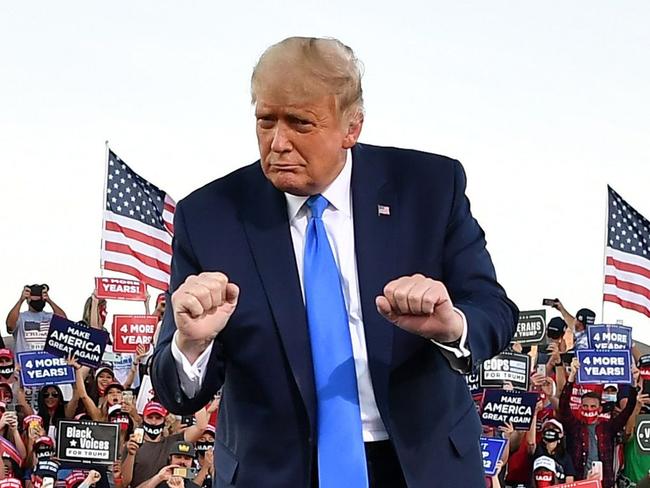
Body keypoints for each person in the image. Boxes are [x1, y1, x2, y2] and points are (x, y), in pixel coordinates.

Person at [151, 36, 518, 488]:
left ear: (352, 127)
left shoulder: (429, 187)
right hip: (275, 472)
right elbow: (175, 392)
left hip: (421, 466)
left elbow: (493, 310)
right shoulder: (210, 217)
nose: (278, 142)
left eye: (300, 123)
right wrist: (191, 346)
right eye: (266, 121)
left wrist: (453, 326)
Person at [5, 284, 67, 354]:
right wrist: (21, 300)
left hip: (46, 361)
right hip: (25, 362)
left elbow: (64, 323)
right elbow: (10, 325)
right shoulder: (20, 317)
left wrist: (49, 300)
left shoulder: (50, 317)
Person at [136, 441, 200, 488]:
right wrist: (158, 478)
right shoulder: (158, 481)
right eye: (178, 457)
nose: (182, 461)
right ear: (170, 458)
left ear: (192, 462)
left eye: (187, 458)